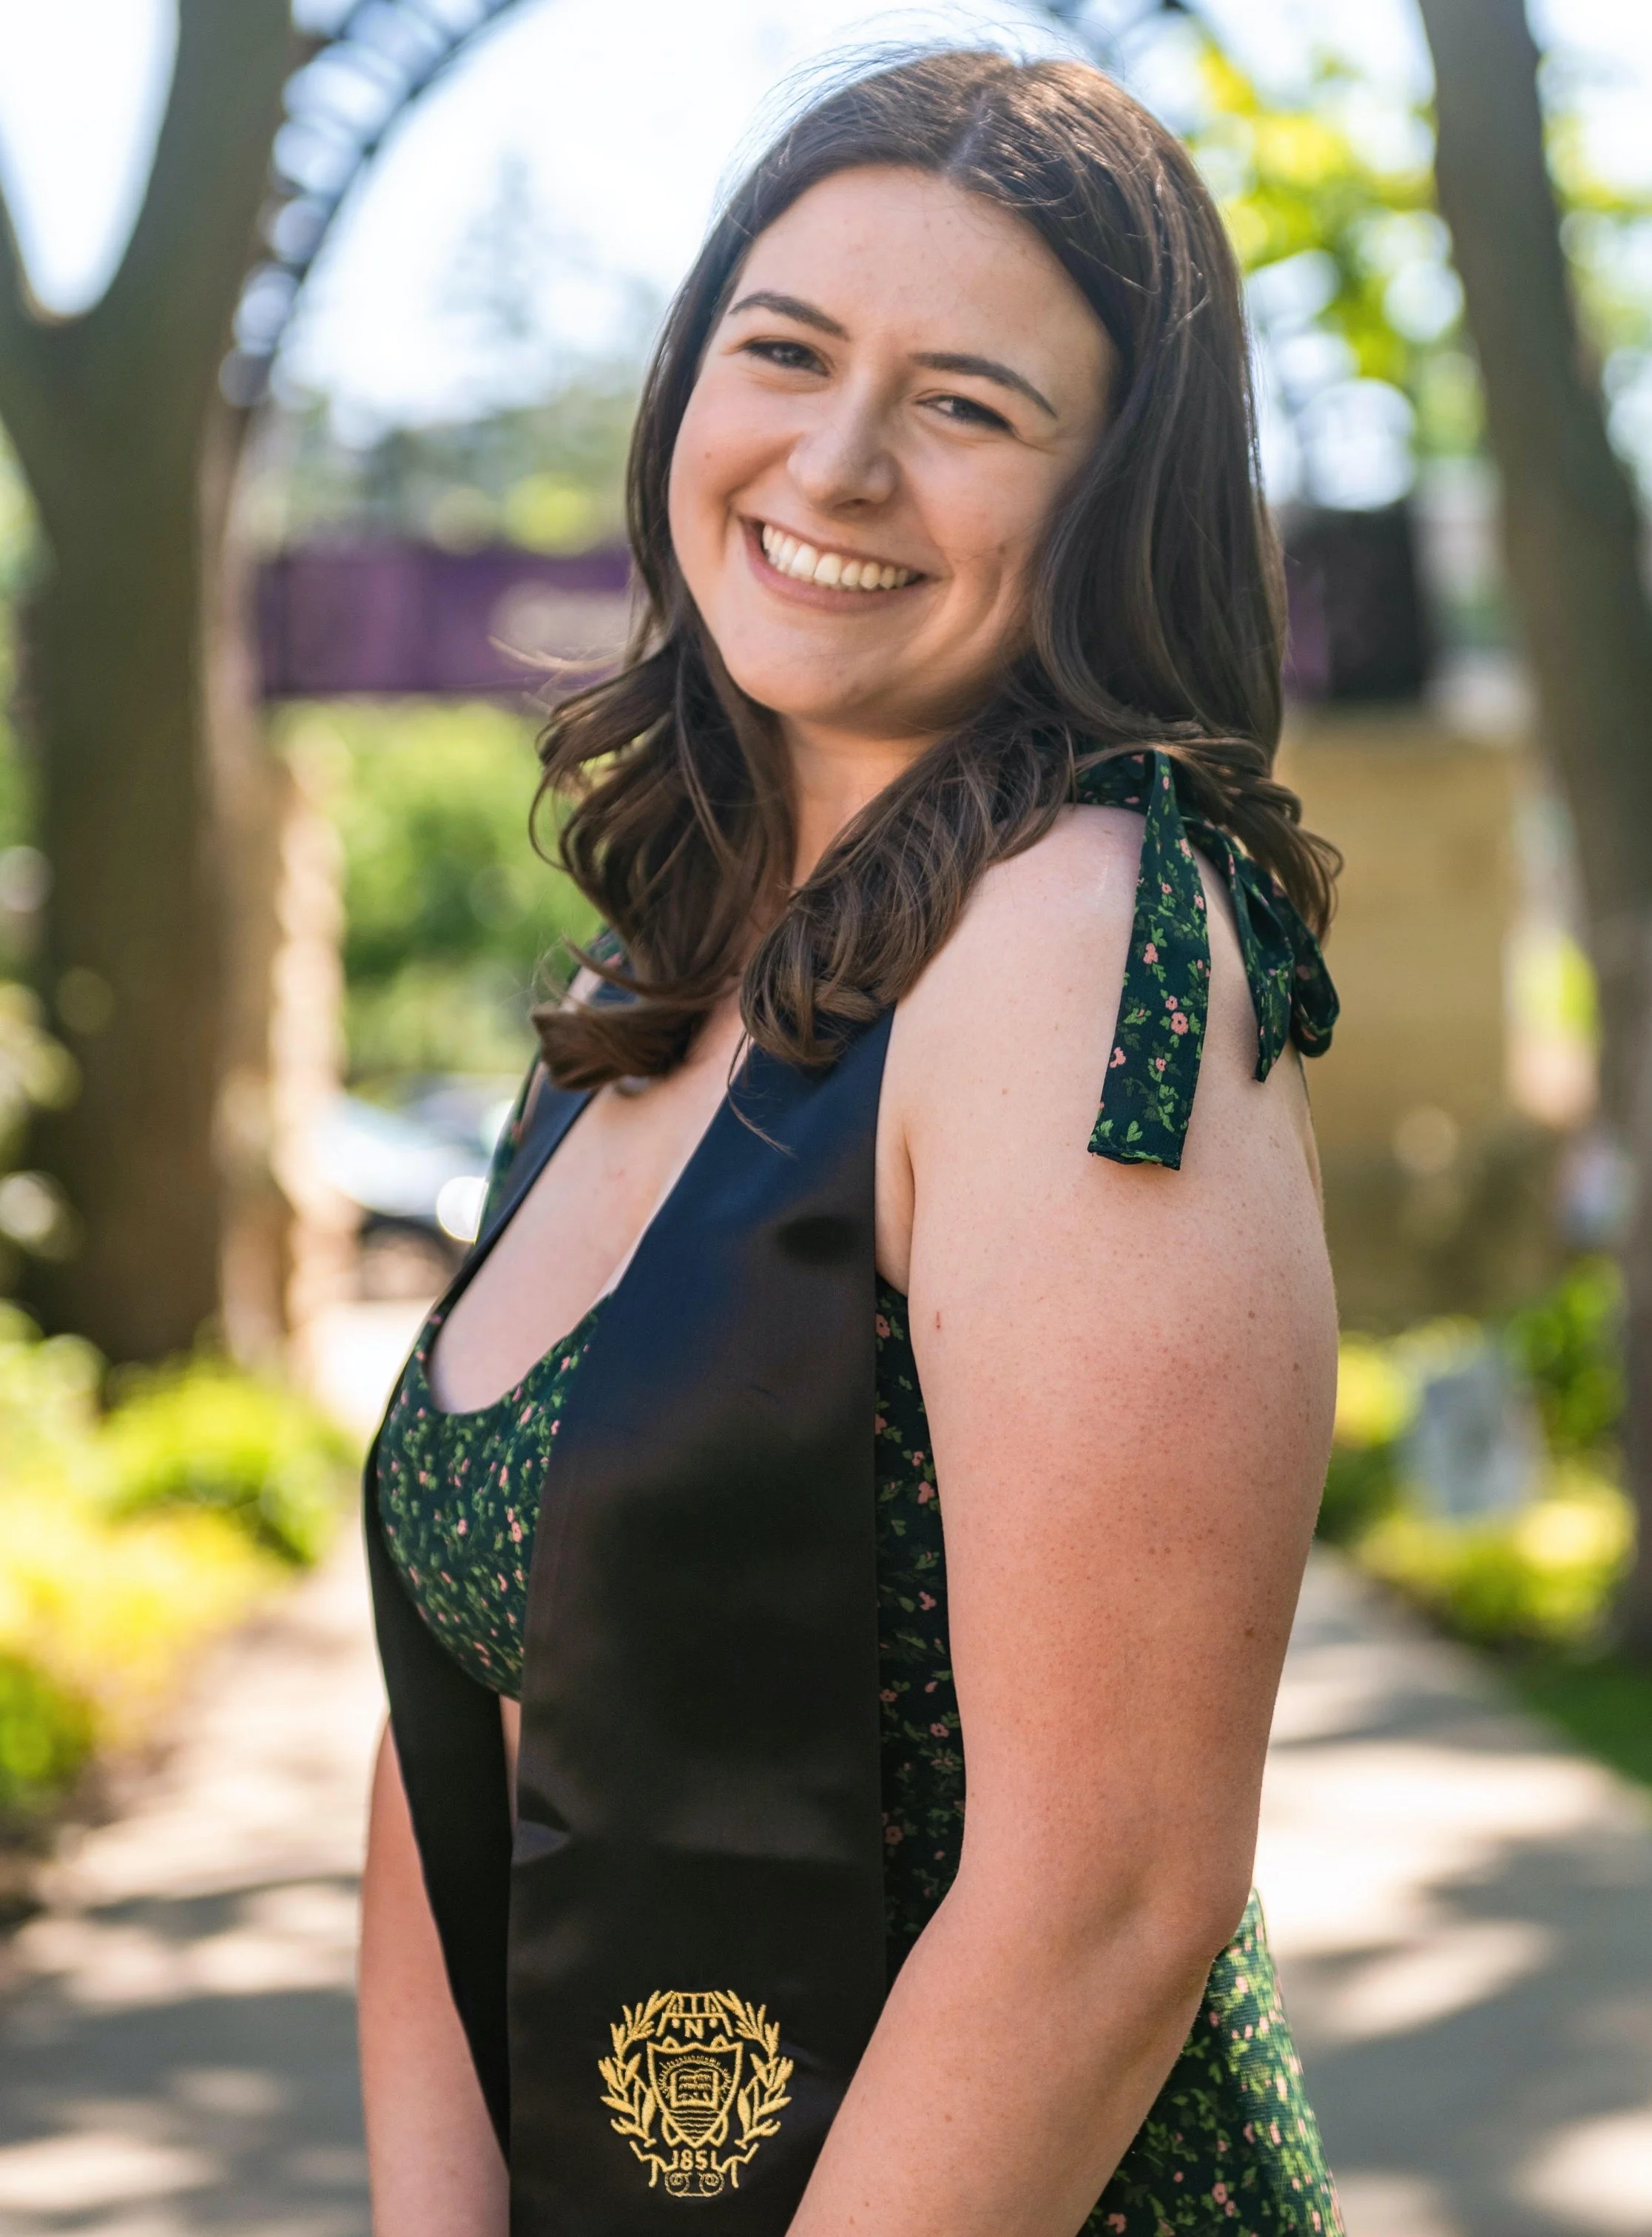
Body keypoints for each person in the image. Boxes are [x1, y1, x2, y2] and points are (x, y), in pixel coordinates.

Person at [358, 47, 1345, 2237]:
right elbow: (466, 1736)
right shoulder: (653, 975)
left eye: (967, 405)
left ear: (1111, 497)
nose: (835, 458)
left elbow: (1107, 1899)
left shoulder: (1086, 938)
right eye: (781, 352)